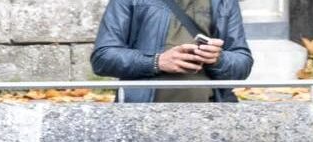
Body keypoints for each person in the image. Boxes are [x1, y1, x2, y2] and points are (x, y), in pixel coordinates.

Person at [89, 0, 252, 103]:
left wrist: (218, 59)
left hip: (208, 117)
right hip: (143, 117)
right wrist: (156, 62)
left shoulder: (224, 2)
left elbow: (243, 63)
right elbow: (102, 57)